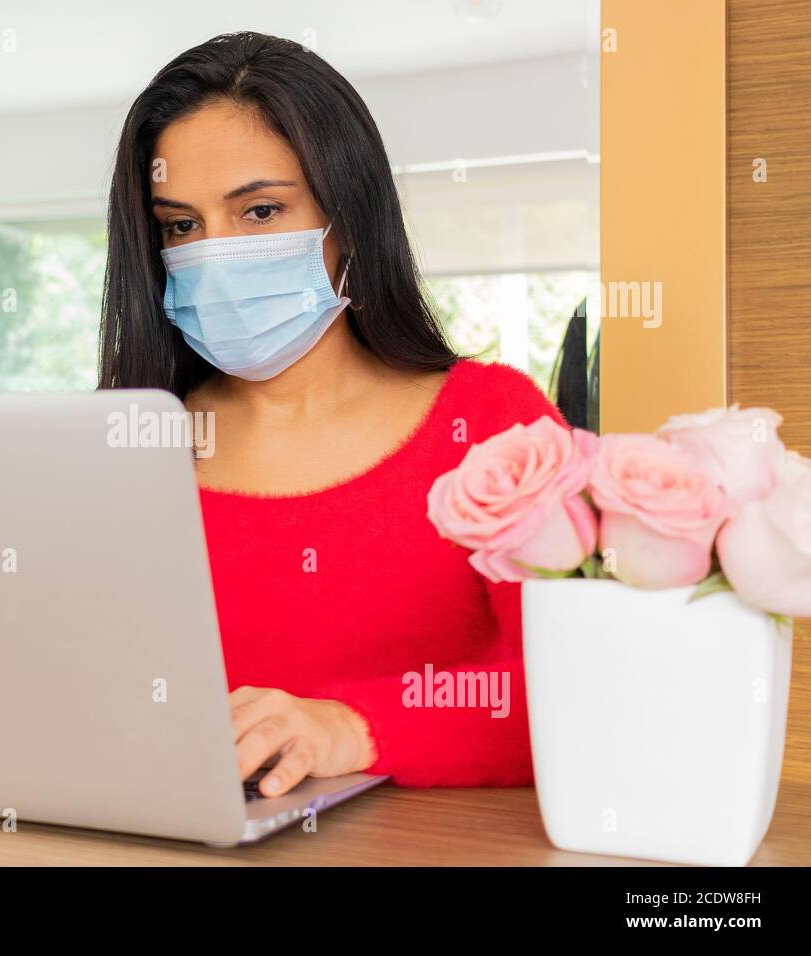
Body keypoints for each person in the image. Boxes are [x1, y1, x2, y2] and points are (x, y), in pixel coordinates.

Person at [100, 32, 565, 794]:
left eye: (259, 211)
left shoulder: (493, 423)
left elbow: (575, 686)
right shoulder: (122, 447)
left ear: (349, 215)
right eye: (181, 226)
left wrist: (346, 728)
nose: (214, 256)